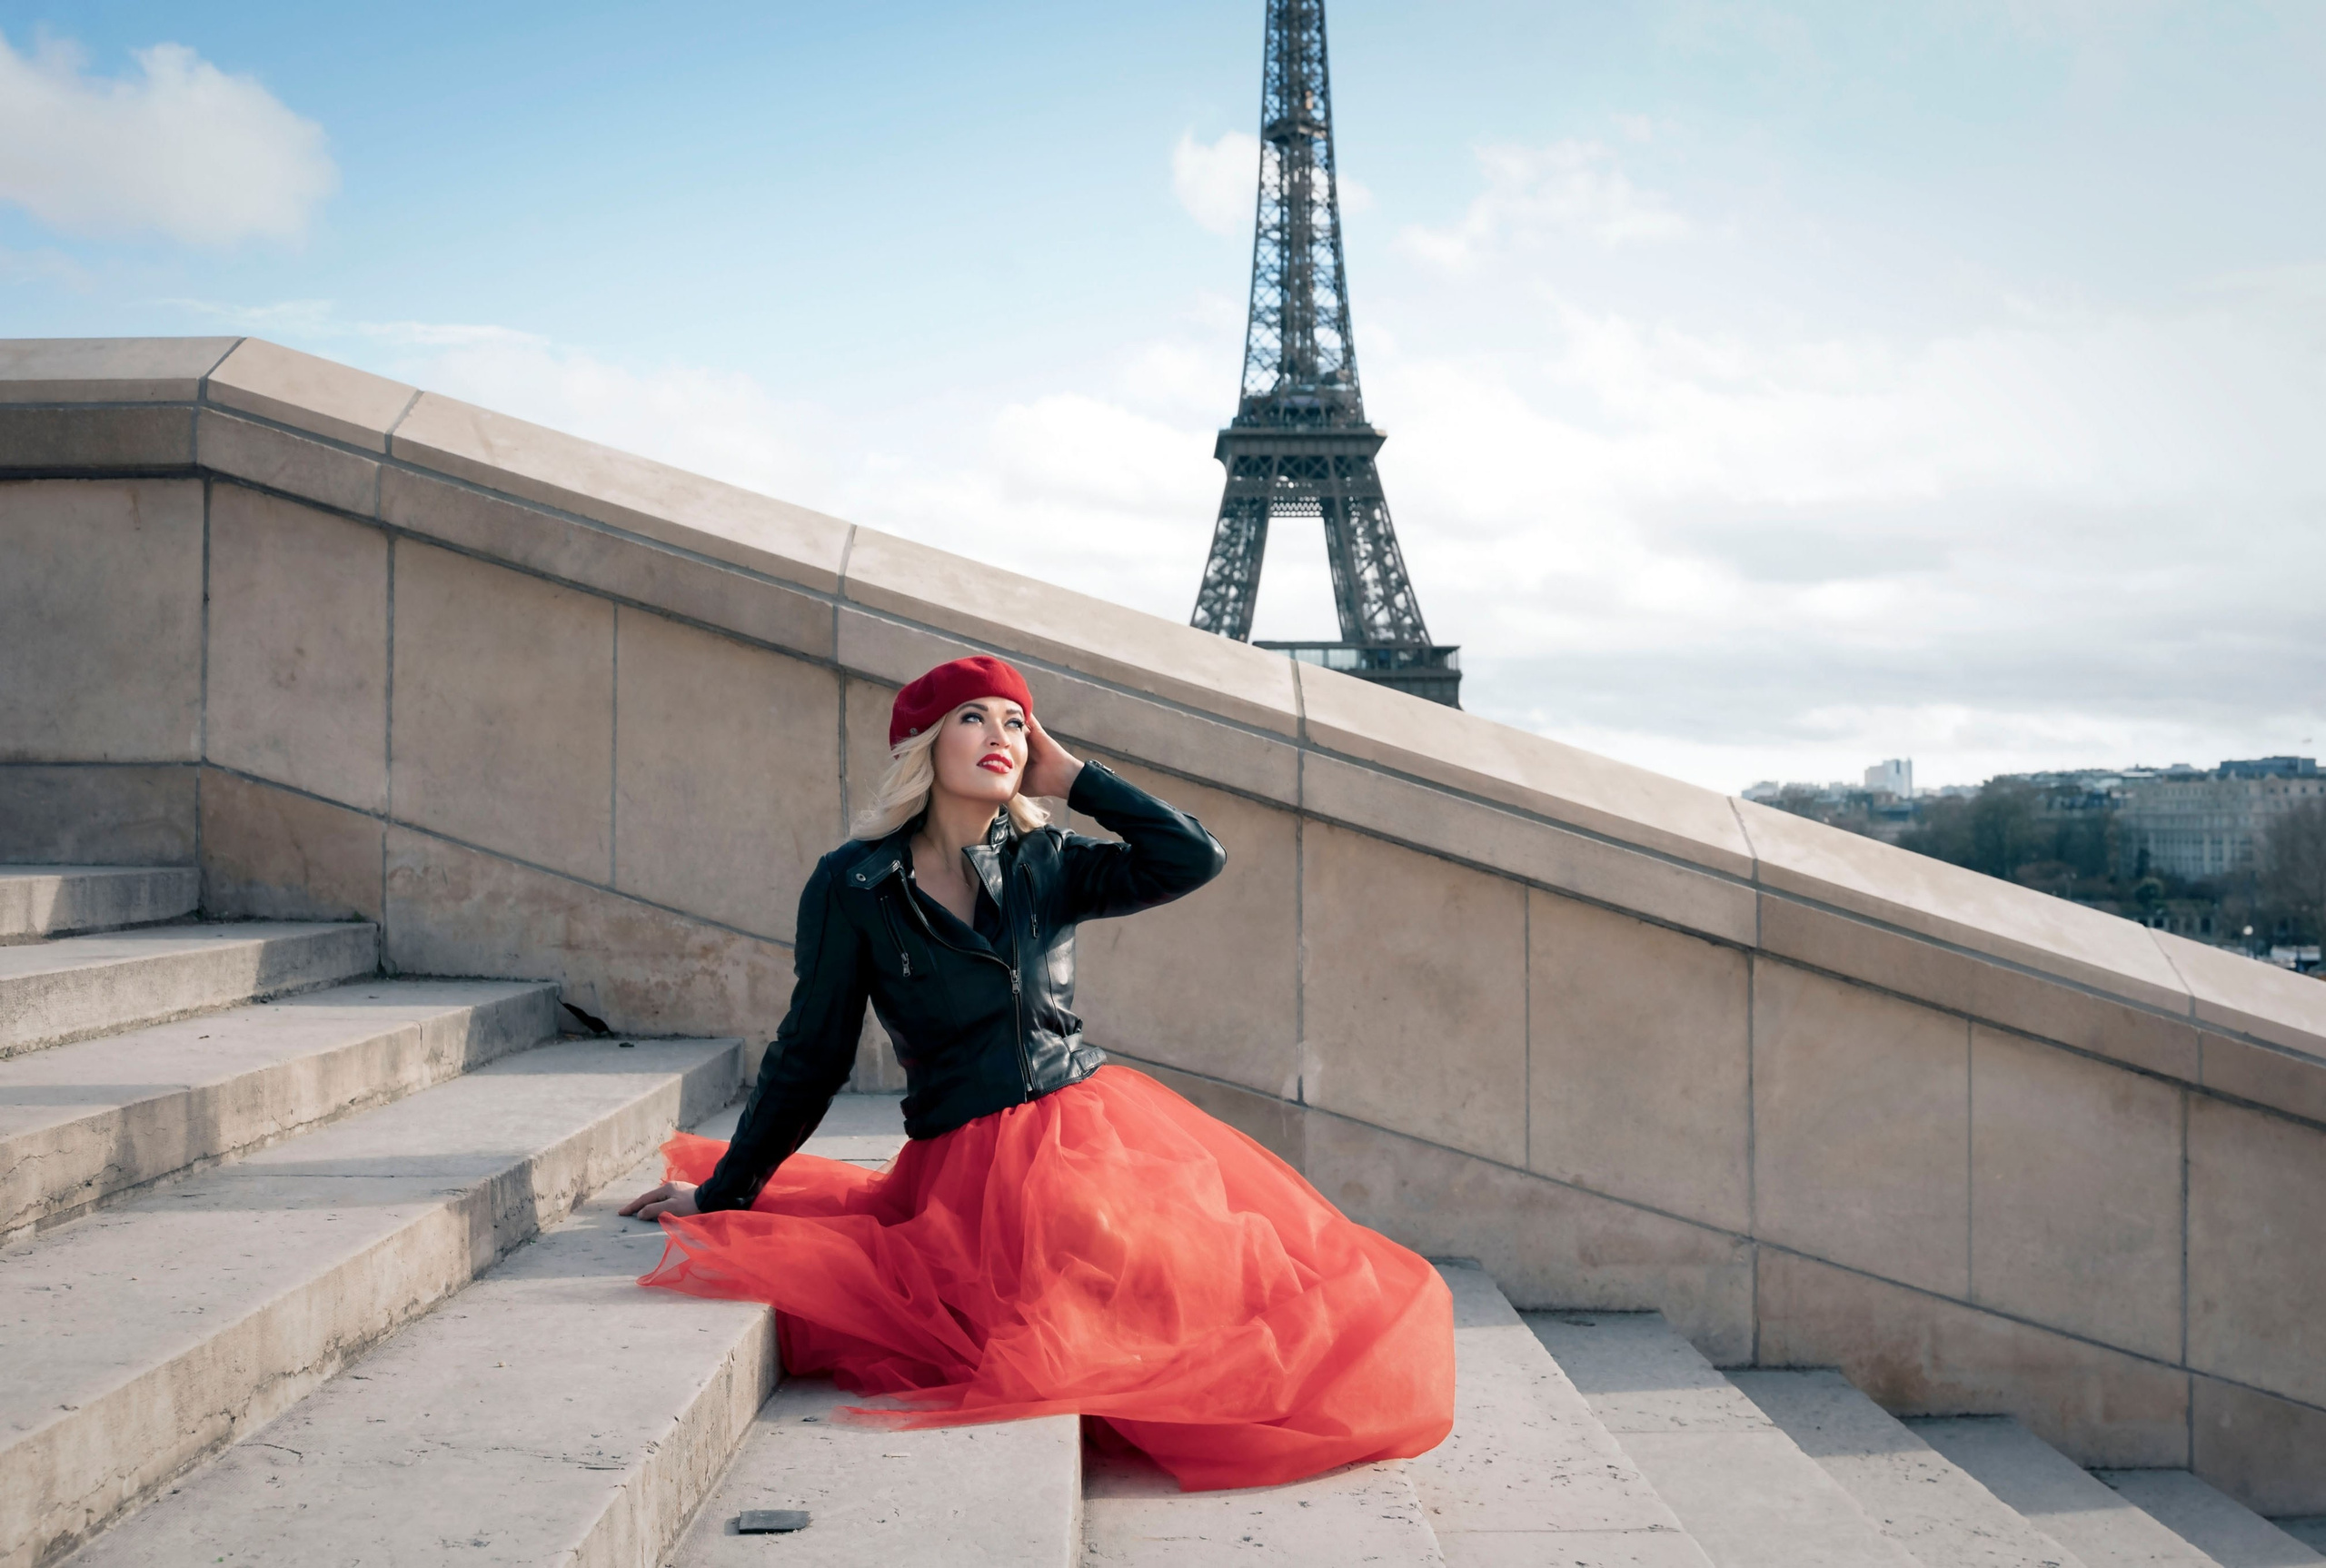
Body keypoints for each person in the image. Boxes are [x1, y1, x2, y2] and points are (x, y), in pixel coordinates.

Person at [621, 654, 1453, 1490]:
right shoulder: (853, 884)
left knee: (1188, 1270)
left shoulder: (1045, 859)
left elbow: (1191, 857)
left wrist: (1077, 777)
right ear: (923, 743)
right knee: (1078, 1277)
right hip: (967, 1167)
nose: (1003, 736)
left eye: (1017, 722)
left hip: (1089, 1126)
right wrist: (729, 1190)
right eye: (975, 718)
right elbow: (811, 1053)